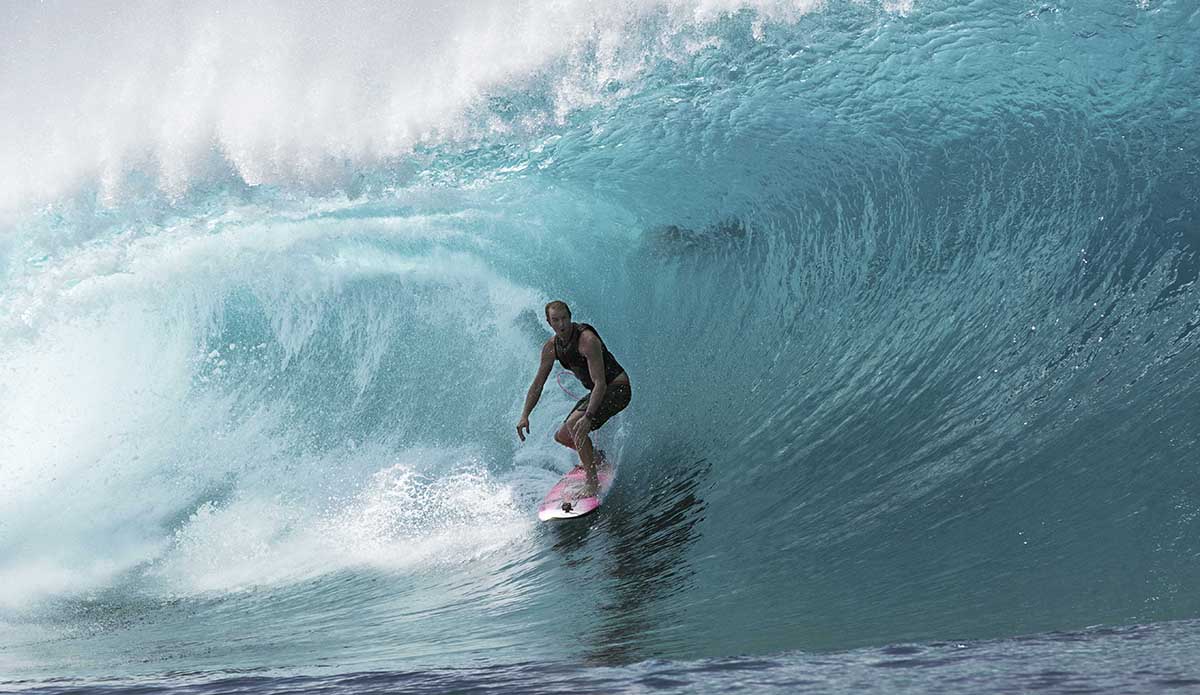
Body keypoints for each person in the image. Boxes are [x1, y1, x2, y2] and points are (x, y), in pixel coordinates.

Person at [516, 300, 632, 496]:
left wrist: (587, 417)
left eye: (564, 319)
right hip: (598, 391)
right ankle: (597, 460)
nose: (561, 324)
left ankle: (592, 483)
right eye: (556, 320)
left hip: (618, 389)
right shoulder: (551, 348)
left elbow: (600, 383)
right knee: (562, 436)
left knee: (574, 424)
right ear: (548, 322)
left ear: (570, 318)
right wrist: (525, 414)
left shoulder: (587, 340)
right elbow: (538, 384)